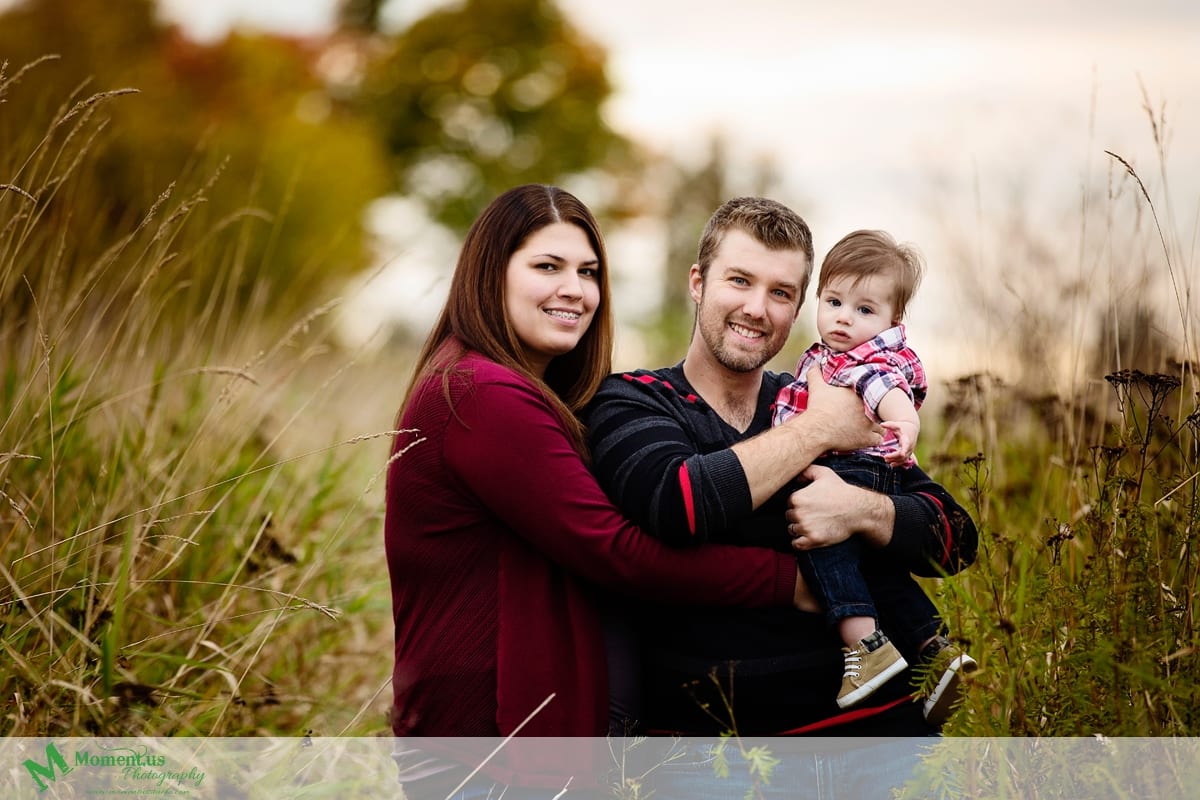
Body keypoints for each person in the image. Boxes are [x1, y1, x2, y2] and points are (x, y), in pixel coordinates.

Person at [383, 185, 876, 799]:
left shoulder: (516, 392)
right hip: (486, 747)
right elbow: (618, 550)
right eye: (547, 266)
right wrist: (802, 584)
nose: (575, 289)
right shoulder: (481, 394)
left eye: (588, 272)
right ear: (490, 273)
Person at [582, 197, 979, 747]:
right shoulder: (633, 402)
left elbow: (956, 538)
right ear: (698, 283)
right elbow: (678, 504)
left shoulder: (837, 397)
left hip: (883, 739)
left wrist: (864, 511)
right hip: (714, 755)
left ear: (797, 309)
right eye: (739, 281)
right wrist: (817, 430)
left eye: (780, 293)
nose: (756, 308)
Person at [770, 229, 977, 719]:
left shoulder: (860, 361)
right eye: (834, 301)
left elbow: (887, 392)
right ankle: (936, 651)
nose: (844, 317)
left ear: (891, 321)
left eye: (864, 310)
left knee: (822, 548)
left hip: (853, 468)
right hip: (862, 467)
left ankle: (865, 647)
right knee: (878, 568)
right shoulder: (831, 358)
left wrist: (904, 424)